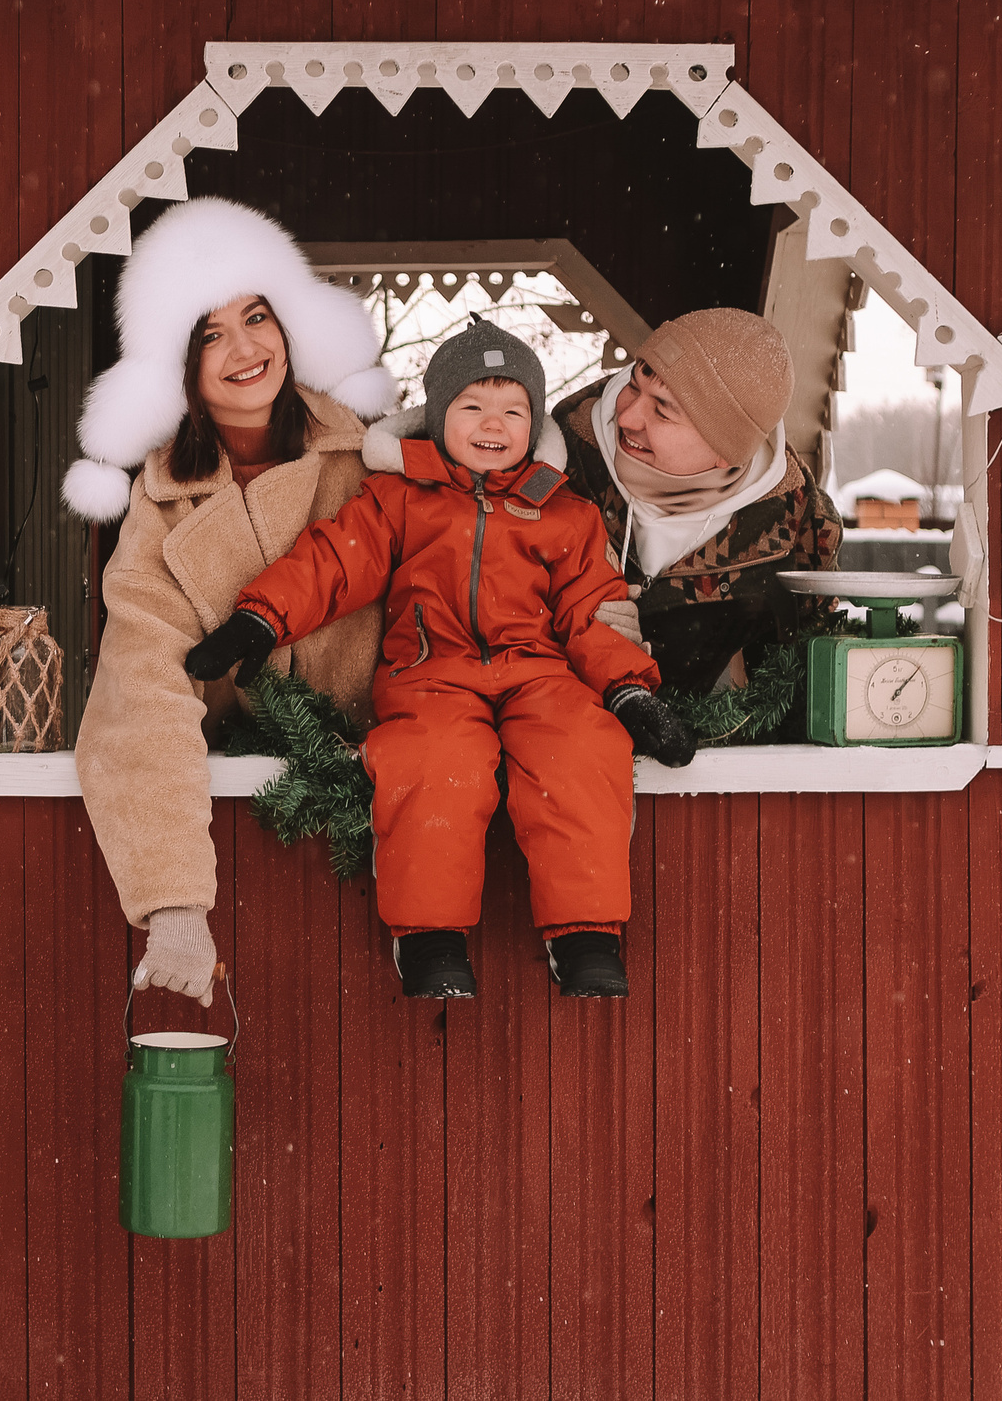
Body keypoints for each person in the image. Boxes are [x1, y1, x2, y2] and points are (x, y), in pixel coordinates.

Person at [183, 320, 696, 1002]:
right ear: (437, 415)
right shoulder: (399, 499)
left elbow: (588, 611)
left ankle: (584, 935)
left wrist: (630, 690)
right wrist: (259, 617)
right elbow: (333, 563)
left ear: (533, 421)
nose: (494, 423)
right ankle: (430, 938)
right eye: (473, 407)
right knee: (432, 760)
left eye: (513, 409)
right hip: (433, 675)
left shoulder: (563, 512)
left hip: (539, 674)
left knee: (581, 744)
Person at [66, 197, 397, 1009]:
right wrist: (175, 904)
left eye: (258, 316)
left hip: (390, 816)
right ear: (177, 367)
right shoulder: (162, 505)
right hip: (249, 835)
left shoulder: (376, 462)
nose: (245, 348)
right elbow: (140, 688)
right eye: (209, 334)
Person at [549, 308, 843, 698]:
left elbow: (808, 691)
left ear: (726, 450)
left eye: (663, 410)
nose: (628, 417)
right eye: (634, 385)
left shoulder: (803, 534)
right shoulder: (554, 469)